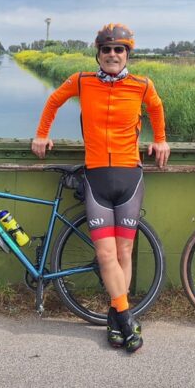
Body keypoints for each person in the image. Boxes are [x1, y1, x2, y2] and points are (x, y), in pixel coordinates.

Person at [32, 23, 169, 353]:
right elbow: (54, 101)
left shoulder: (142, 85)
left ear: (127, 54)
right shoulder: (81, 81)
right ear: (98, 54)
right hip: (96, 178)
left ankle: (114, 316)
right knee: (106, 254)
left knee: (123, 252)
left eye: (119, 49)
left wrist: (161, 140)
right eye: (106, 49)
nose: (112, 54)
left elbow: (157, 108)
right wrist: (42, 134)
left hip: (129, 178)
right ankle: (126, 318)